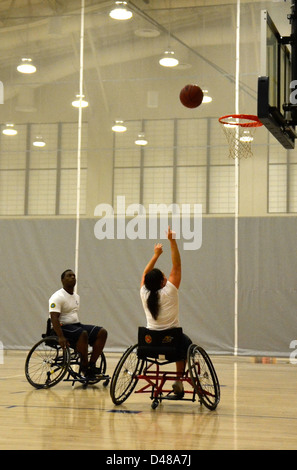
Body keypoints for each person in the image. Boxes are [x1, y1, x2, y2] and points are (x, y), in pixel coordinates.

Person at [140, 227, 192, 398]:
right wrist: (172, 241)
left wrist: (155, 255)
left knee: (178, 340)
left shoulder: (144, 293)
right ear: (164, 281)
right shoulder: (169, 291)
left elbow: (145, 274)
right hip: (173, 343)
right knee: (187, 344)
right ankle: (178, 380)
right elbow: (176, 265)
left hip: (149, 343)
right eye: (164, 276)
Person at [49, 269, 107, 379]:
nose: (72, 277)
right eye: (69, 276)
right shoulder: (57, 296)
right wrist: (60, 337)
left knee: (102, 332)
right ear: (62, 280)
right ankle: (84, 367)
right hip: (61, 327)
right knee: (82, 333)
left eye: (74, 276)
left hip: (75, 325)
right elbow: (54, 317)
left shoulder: (76, 297)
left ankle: (91, 365)